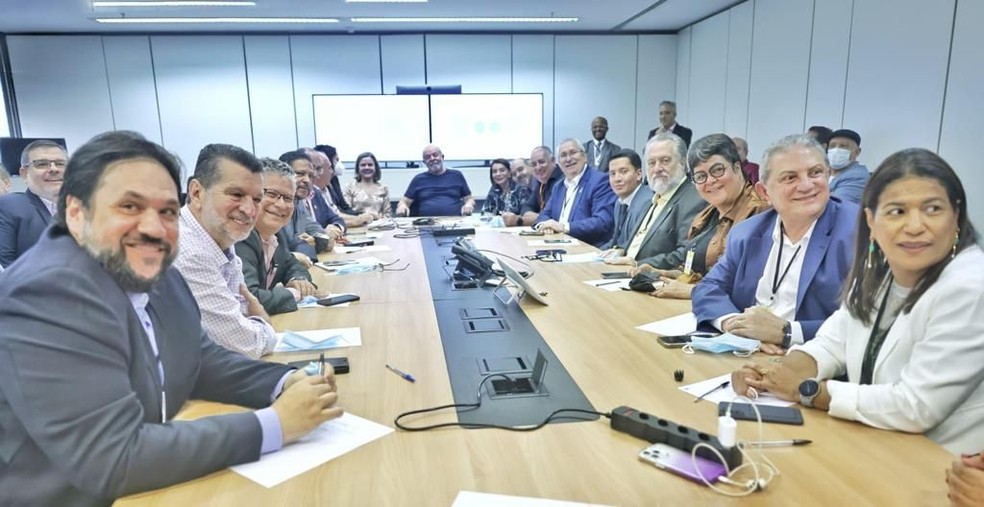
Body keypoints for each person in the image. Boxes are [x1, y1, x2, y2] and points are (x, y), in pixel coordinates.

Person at [0, 131, 342, 506]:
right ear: (76, 213)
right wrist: (275, 424)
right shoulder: (47, 294)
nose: (153, 227)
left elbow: (201, 360)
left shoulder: (154, 270)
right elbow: (113, 456)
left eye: (165, 211)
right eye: (129, 207)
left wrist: (285, 380)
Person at [730, 148, 983, 454]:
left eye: (932, 209)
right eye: (897, 211)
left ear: (956, 216)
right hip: (876, 442)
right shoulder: (880, 267)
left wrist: (807, 390)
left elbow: (916, 406)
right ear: (871, 222)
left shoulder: (970, 286)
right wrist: (778, 372)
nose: (915, 226)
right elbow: (834, 341)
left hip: (937, 464)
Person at [692, 134, 858, 354]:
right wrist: (738, 326)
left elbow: (867, 324)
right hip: (750, 354)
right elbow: (707, 288)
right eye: (790, 178)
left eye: (815, 173)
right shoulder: (747, 233)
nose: (807, 185)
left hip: (820, 363)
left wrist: (787, 332)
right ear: (765, 192)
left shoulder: (859, 231)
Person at [174, 144, 278, 359]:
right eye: (236, 194)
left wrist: (251, 325)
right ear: (196, 193)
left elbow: (241, 321)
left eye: (257, 199)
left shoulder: (220, 241)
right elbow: (244, 345)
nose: (250, 210)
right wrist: (264, 324)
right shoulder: (189, 251)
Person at [641, 134, 769, 299]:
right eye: (701, 176)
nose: (710, 181)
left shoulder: (760, 213)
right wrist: (662, 273)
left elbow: (750, 285)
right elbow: (695, 269)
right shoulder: (707, 214)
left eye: (717, 170)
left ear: (737, 168)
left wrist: (693, 291)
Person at [604, 132, 705, 269]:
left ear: (682, 163)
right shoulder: (654, 197)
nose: (657, 169)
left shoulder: (693, 200)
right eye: (651, 163)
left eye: (665, 161)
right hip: (623, 270)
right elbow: (641, 238)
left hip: (652, 279)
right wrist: (621, 249)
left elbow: (686, 254)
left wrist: (638, 264)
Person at [236, 160, 323, 315]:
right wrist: (294, 293)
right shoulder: (241, 236)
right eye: (271, 194)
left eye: (288, 198)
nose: (281, 205)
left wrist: (299, 279)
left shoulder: (276, 234)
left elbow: (291, 264)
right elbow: (249, 299)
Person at [534, 139, 616, 247]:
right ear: (558, 162)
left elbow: (602, 222)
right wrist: (545, 225)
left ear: (585, 156)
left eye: (573, 153)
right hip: (558, 245)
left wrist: (564, 227)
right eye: (563, 155)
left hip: (588, 248)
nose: (568, 159)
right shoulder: (558, 186)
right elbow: (544, 215)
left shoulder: (600, 181)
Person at [0, 139, 67, 267]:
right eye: (42, 164)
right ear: (24, 174)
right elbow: (6, 266)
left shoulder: (84, 207)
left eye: (60, 163)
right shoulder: (8, 207)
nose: (54, 169)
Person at [280, 149, 345, 238]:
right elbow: (286, 245)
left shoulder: (298, 203)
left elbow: (315, 230)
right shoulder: (275, 205)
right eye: (299, 173)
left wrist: (326, 238)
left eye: (310, 176)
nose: (307, 180)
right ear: (282, 174)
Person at [396, 144, 475, 217]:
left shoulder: (457, 175)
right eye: (427, 157)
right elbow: (404, 201)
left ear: (442, 157)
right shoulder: (418, 179)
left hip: (454, 223)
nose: (432, 159)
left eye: (435, 155)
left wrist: (468, 205)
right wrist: (402, 206)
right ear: (424, 162)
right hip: (426, 225)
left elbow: (469, 198)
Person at [599, 148, 653, 252]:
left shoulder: (647, 202)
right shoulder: (619, 203)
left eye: (623, 172)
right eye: (612, 174)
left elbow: (636, 245)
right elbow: (616, 241)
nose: (617, 179)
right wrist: (594, 254)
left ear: (639, 174)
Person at [305, 147, 372, 228]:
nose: (332, 171)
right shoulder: (308, 194)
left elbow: (334, 215)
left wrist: (359, 219)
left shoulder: (323, 188)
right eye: (329, 167)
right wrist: (356, 220)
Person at [502, 146, 562, 227]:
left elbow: (554, 218)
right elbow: (526, 207)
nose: (538, 167)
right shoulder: (541, 183)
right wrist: (541, 217)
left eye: (541, 162)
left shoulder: (562, 181)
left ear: (553, 161)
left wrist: (520, 221)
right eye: (534, 164)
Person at [826, 128, 870, 204]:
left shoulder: (858, 177)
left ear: (857, 152)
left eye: (843, 146)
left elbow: (836, 206)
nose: (836, 150)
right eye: (832, 146)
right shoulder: (823, 171)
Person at [344, 151, 392, 219]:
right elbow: (346, 212)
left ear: (375, 167)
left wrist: (375, 217)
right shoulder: (350, 187)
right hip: (356, 226)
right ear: (358, 168)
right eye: (363, 165)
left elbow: (387, 215)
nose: (367, 167)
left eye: (370, 165)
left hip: (380, 227)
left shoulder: (383, 188)